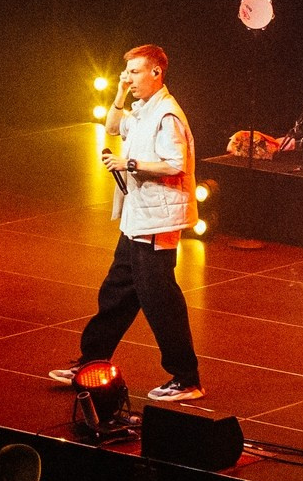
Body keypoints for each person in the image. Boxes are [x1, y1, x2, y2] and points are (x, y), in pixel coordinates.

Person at [52, 45, 202, 403]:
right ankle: (92, 360)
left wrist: (129, 164)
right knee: (118, 291)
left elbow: (174, 163)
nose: (129, 79)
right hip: (139, 217)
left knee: (160, 299)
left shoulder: (166, 115)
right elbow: (113, 125)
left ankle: (187, 378)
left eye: (134, 73)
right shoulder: (142, 109)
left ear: (156, 73)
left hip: (158, 219)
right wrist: (118, 93)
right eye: (127, 73)